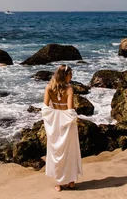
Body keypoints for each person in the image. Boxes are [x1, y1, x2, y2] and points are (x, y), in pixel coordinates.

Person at [42, 64, 83, 192]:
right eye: (70, 74)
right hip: (67, 124)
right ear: (64, 76)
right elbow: (70, 110)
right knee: (70, 152)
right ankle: (71, 182)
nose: (72, 77)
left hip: (54, 124)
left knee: (57, 153)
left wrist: (53, 119)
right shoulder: (69, 89)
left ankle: (59, 184)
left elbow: (45, 108)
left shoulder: (49, 88)